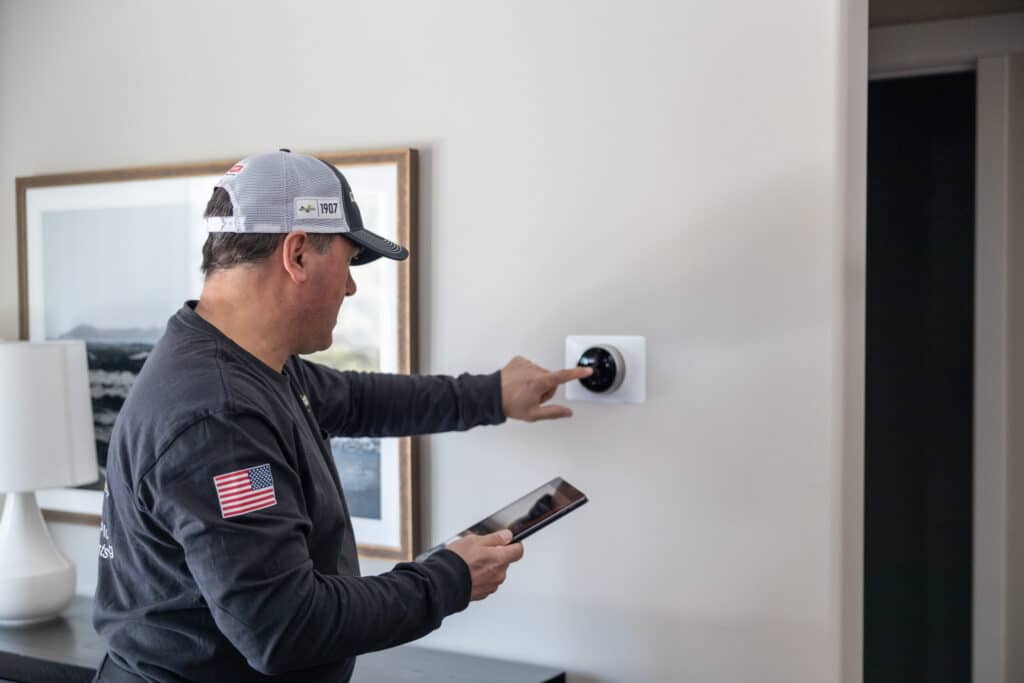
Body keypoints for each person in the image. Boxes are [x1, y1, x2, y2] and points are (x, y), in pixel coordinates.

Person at [91, 150, 591, 682]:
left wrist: (492, 395)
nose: (351, 287)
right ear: (299, 254)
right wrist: (450, 578)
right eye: (349, 263)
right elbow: (284, 626)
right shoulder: (220, 416)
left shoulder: (251, 364)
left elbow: (357, 400)